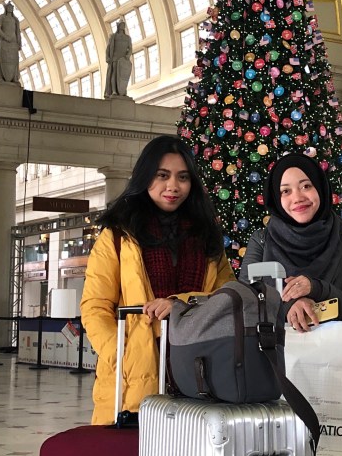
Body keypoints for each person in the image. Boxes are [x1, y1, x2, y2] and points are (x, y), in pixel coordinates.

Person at [80, 136, 233, 424]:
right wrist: (122, 354)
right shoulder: (118, 235)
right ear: (145, 176)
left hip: (198, 373)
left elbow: (226, 299)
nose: (173, 186)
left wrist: (179, 304)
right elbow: (95, 306)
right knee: (131, 451)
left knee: (190, 450)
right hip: (133, 381)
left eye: (183, 177)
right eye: (162, 175)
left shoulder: (207, 236)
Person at [241, 153, 342, 456]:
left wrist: (316, 288)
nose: (297, 197)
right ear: (276, 198)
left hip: (330, 380)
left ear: (321, 189)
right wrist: (289, 307)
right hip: (273, 377)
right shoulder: (261, 240)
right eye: (285, 191)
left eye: (306, 186)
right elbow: (246, 299)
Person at [0, 2, 22, 84]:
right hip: (4, 42)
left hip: (13, 43)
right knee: (2, 58)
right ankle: (1, 77)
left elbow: (17, 32)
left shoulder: (15, 20)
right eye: (8, 7)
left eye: (11, 7)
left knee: (14, 60)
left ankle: (14, 77)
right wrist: (5, 36)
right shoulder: (2, 17)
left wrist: (19, 42)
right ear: (6, 8)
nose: (10, 8)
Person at [104, 20, 133, 98]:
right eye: (121, 25)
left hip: (123, 59)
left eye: (123, 25)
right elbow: (108, 48)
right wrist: (107, 57)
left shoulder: (127, 38)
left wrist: (128, 55)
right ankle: (114, 90)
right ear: (118, 26)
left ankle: (122, 91)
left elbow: (130, 48)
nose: (122, 26)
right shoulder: (114, 36)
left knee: (122, 75)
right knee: (114, 74)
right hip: (115, 57)